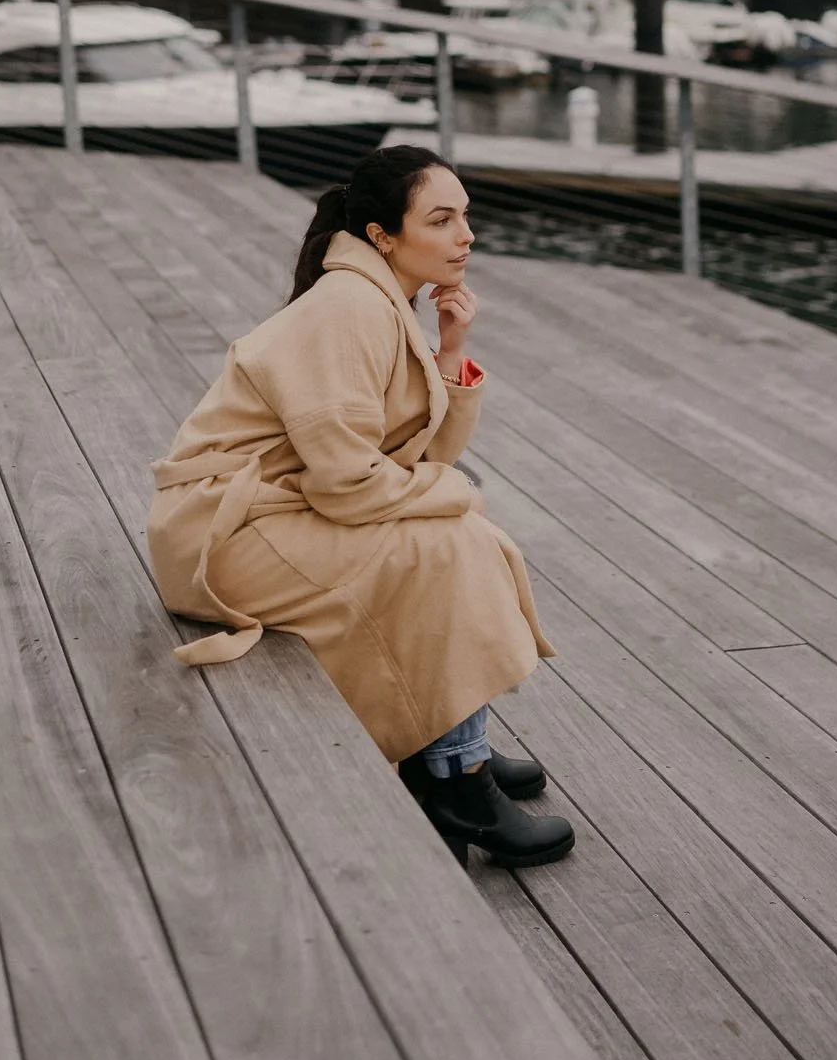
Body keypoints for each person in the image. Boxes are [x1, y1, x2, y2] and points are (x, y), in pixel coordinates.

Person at [148, 143, 574, 868]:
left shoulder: (381, 298)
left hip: (273, 513)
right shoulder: (348, 307)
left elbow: (413, 455)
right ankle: (456, 776)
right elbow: (349, 484)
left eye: (464, 217)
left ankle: (443, 743)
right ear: (383, 235)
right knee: (444, 546)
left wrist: (450, 351)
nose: (464, 236)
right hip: (223, 535)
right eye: (440, 220)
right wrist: (452, 496)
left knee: (443, 542)